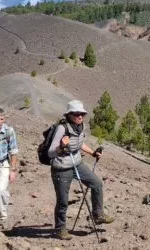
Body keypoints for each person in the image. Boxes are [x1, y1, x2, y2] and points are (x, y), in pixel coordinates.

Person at [48, 100, 115, 240]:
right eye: (77, 114)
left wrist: (92, 153)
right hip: (61, 168)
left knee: (96, 183)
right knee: (63, 201)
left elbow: (79, 143)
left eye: (82, 114)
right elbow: (51, 153)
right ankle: (60, 229)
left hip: (76, 164)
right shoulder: (62, 128)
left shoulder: (80, 126)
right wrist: (61, 146)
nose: (80, 117)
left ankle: (98, 214)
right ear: (69, 115)